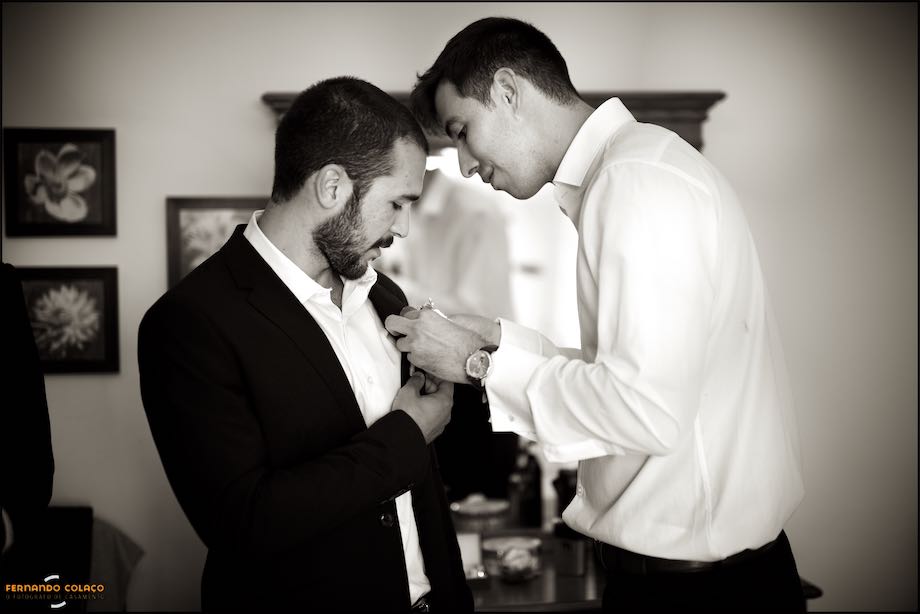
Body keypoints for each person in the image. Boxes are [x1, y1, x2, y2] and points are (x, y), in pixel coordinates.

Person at [386, 17, 806, 613]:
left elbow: (644, 409)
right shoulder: (637, 169)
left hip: (697, 593)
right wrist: (501, 340)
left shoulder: (635, 182)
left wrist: (476, 363)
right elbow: (630, 378)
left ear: (509, 91)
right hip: (692, 581)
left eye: (463, 131)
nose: (464, 165)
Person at [138, 77, 472, 613]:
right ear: (332, 186)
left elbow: (422, 487)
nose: (404, 228)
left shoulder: (383, 294)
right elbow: (243, 522)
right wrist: (406, 435)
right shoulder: (189, 323)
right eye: (398, 203)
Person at [377, 168, 519, 502]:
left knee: (478, 512)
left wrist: (385, 287)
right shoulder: (399, 211)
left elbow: (478, 311)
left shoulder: (474, 212)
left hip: (476, 384)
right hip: (429, 383)